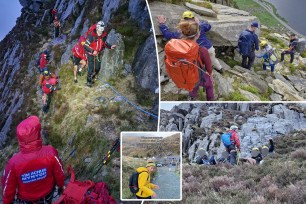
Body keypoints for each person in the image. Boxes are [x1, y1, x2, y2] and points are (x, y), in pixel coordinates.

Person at [1, 116, 65, 204]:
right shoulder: (50, 153)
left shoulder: (13, 163)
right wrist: (61, 186)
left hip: (27, 200)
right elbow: (59, 173)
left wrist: (6, 202)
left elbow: (8, 187)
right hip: (47, 195)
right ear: (38, 133)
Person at [158, 11, 223, 74]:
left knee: (198, 62)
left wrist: (162, 24)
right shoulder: (200, 26)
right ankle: (219, 69)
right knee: (212, 59)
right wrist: (199, 22)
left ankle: (201, 71)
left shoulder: (182, 31)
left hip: (194, 52)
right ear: (193, 19)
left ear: (183, 21)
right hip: (208, 48)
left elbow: (168, 35)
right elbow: (209, 26)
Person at [169, 20, 214, 101]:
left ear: (183, 33)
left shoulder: (175, 47)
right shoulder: (202, 50)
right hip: (196, 76)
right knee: (209, 84)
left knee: (192, 83)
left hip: (182, 75)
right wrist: (210, 75)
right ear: (197, 35)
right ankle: (210, 99)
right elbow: (209, 68)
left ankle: (192, 96)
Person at [84, 21, 116, 87]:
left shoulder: (103, 35)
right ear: (97, 28)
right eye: (99, 31)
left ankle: (93, 77)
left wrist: (110, 46)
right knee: (91, 68)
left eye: (101, 31)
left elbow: (104, 43)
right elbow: (85, 45)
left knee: (98, 67)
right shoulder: (91, 36)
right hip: (90, 54)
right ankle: (89, 82)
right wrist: (92, 51)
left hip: (97, 53)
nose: (100, 33)